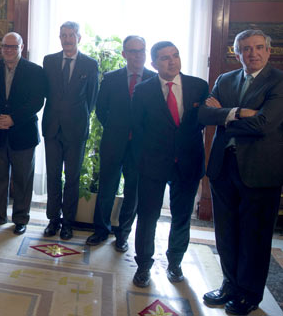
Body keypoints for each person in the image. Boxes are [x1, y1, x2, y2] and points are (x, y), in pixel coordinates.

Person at [199, 29, 283, 315]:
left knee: (255, 237)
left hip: (260, 171)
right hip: (224, 168)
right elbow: (203, 115)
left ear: (268, 51)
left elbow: (263, 125)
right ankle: (229, 285)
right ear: (237, 53)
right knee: (226, 233)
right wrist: (239, 112)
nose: (253, 53)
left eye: (259, 48)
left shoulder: (279, 82)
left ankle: (249, 294)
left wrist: (224, 114)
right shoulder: (226, 79)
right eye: (246, 49)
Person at [130, 41, 208, 288]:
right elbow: (137, 127)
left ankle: (175, 263)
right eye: (164, 58)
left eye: (175, 56)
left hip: (187, 161)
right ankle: (143, 265)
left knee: (182, 216)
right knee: (148, 216)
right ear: (153, 63)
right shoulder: (143, 90)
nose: (172, 61)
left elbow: (202, 122)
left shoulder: (198, 87)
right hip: (153, 162)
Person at [86, 36, 156, 252]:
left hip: (140, 146)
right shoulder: (111, 78)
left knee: (132, 192)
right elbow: (101, 109)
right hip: (113, 142)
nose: (137, 55)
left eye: (141, 51)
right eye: (132, 51)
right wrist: (117, 129)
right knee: (107, 188)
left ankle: (123, 235)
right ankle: (101, 230)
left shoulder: (154, 79)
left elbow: (155, 115)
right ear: (124, 54)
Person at [0, 32, 45, 235]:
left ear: (21, 47)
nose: (8, 50)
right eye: (5, 46)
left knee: (22, 179)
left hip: (23, 133)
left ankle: (21, 219)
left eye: (13, 47)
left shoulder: (34, 71)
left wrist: (13, 119)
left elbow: (36, 101)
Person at [42, 21, 99, 240]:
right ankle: (53, 220)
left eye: (71, 35)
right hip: (52, 128)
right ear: (60, 38)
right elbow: (46, 91)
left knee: (72, 178)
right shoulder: (49, 61)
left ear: (79, 38)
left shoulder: (90, 64)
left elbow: (92, 99)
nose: (67, 39)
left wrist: (77, 117)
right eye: (63, 35)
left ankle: (68, 223)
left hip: (76, 129)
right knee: (53, 176)